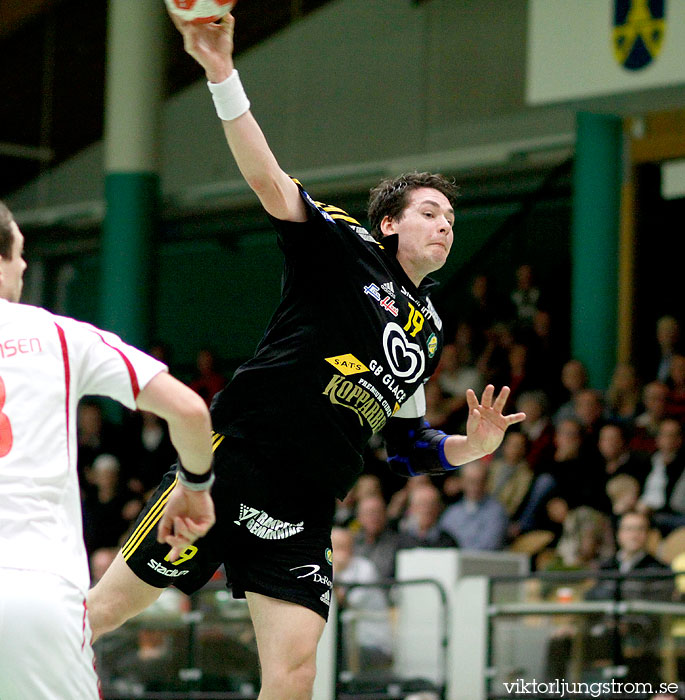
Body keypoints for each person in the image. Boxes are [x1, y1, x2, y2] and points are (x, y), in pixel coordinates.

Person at [86, 12, 526, 700]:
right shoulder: (343, 247)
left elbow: (407, 447)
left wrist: (473, 448)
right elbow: (267, 180)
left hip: (306, 506)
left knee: (294, 673)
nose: (444, 223)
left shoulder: (429, 329)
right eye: (430, 211)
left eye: (450, 218)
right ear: (389, 223)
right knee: (100, 615)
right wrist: (221, 74)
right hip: (232, 468)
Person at [0, 200, 216, 700]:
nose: (27, 265)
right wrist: (196, 488)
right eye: (20, 253)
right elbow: (190, 412)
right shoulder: (58, 334)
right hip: (35, 595)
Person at [439, 459, 509, 550]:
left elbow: (490, 547)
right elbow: (443, 543)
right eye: (471, 481)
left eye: (480, 481)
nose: (475, 486)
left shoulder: (497, 512)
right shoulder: (451, 513)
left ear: (486, 482)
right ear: (462, 481)